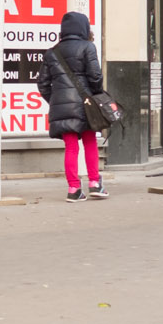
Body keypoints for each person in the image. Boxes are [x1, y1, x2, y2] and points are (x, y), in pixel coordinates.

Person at [37, 11, 106, 202]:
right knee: (90, 141)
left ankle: (74, 189)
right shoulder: (87, 47)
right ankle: (95, 184)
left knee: (71, 147)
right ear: (83, 28)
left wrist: (56, 100)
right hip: (85, 105)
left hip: (61, 106)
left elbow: (42, 83)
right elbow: (95, 77)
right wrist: (95, 95)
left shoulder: (52, 52)